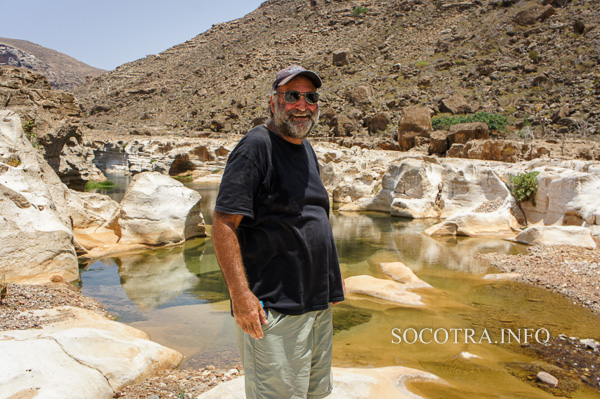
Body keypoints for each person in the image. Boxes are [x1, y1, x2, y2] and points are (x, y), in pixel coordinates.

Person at [212, 65, 345, 399]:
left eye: (310, 97)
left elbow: (310, 216)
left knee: (315, 394)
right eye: (293, 96)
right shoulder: (256, 146)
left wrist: (330, 281)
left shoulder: (306, 149)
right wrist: (241, 297)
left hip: (315, 306)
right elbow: (224, 224)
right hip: (273, 308)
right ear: (274, 103)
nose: (303, 104)